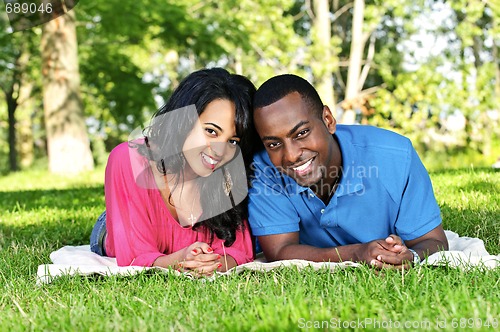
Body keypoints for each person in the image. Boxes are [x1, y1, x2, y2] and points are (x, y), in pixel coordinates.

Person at [248, 74, 448, 269]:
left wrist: (408, 257)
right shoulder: (264, 169)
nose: (291, 155)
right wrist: (358, 253)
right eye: (274, 144)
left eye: (301, 133)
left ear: (328, 120)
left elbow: (432, 240)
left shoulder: (396, 156)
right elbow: (280, 250)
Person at [90, 68, 256, 276]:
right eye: (211, 131)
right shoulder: (129, 159)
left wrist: (210, 263)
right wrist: (181, 260)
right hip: (121, 219)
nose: (220, 151)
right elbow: (133, 257)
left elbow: (241, 251)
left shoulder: (228, 171)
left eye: (232, 141)